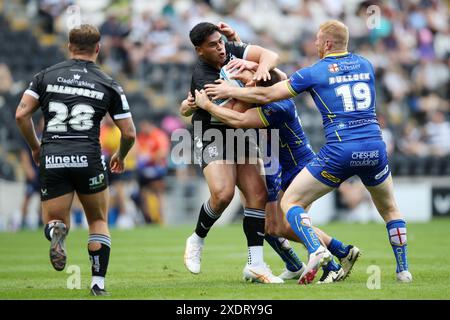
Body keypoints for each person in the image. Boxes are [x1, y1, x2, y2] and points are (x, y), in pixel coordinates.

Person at [205, 20, 412, 283]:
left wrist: (221, 95)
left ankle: (322, 252)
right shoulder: (366, 65)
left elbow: (268, 96)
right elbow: (278, 81)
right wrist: (244, 54)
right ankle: (403, 270)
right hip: (374, 146)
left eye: (317, 40)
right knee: (391, 210)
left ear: (326, 43)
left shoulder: (312, 74)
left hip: (337, 150)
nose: (314, 44)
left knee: (290, 205)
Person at [195, 68, 360, 284]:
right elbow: (275, 77)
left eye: (253, 82)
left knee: (286, 226)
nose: (248, 84)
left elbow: (238, 120)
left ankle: (335, 258)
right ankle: (307, 262)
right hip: (276, 166)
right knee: (268, 224)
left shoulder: (277, 106)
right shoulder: (267, 95)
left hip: (298, 167)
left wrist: (207, 106)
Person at [15, 24, 136, 295]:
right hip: (89, 157)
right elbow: (129, 132)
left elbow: (21, 115)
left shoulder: (44, 77)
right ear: (98, 48)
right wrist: (121, 155)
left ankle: (56, 230)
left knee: (55, 218)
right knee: (98, 220)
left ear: (69, 46)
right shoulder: (108, 82)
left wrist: (36, 147)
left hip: (54, 155)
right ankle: (97, 283)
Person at [180, 21, 288, 284]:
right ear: (199, 50)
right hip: (211, 132)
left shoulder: (230, 49)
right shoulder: (202, 75)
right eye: (212, 45)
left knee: (257, 194)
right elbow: (234, 113)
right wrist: (255, 87)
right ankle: (197, 238)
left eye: (220, 42)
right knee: (223, 193)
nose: (220, 48)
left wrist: (260, 70)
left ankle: (256, 265)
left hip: (240, 133)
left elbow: (271, 56)